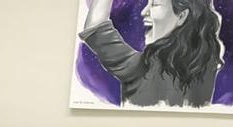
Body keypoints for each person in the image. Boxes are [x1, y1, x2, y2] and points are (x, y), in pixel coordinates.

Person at [80, 0, 223, 108]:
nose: (144, 12)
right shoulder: (207, 68)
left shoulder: (143, 68)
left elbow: (95, 28)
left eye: (154, 4)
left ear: (182, 16)